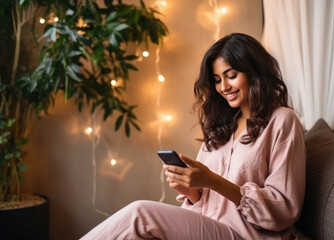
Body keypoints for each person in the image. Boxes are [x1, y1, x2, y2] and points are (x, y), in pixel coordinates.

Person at [81, 33, 306, 240]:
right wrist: (193, 192)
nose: (224, 86)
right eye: (217, 79)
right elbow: (207, 202)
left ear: (254, 73)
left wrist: (213, 181)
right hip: (212, 228)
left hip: (248, 235)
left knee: (140, 214)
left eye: (232, 76)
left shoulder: (282, 121)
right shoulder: (222, 127)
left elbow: (284, 208)